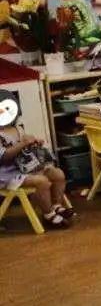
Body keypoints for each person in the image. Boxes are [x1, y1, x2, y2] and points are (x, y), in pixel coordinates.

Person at [0, 90, 73, 228]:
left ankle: (56, 205)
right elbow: (4, 157)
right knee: (41, 181)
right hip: (7, 175)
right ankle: (48, 214)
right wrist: (22, 144)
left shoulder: (17, 128)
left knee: (57, 174)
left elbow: (25, 148)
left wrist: (33, 143)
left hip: (26, 168)